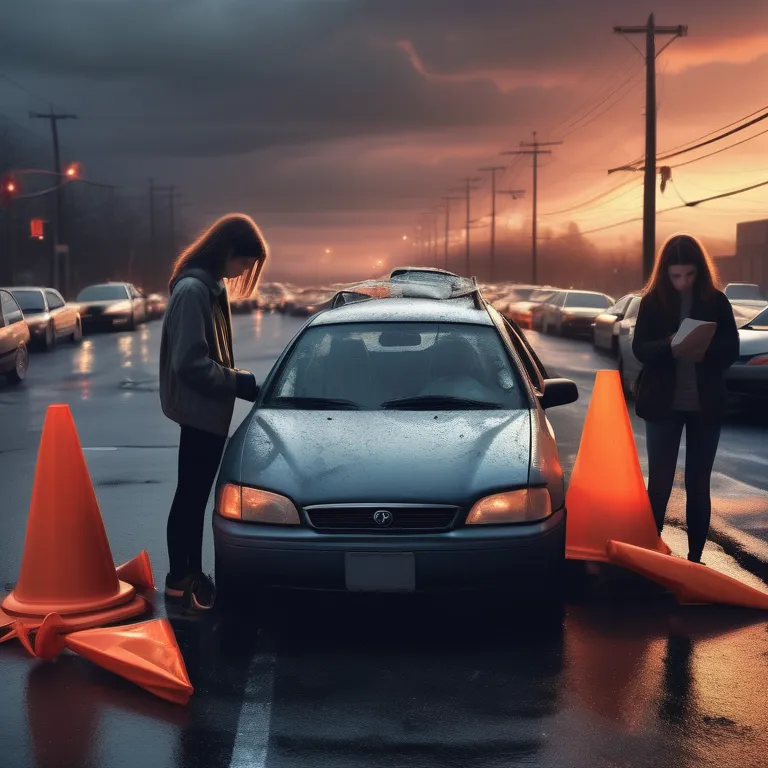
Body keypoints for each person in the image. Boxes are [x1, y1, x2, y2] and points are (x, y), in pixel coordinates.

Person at [159, 214, 267, 610]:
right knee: (190, 497)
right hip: (199, 409)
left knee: (194, 496)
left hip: (208, 410)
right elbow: (190, 362)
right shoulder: (193, 290)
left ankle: (190, 575)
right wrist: (237, 381)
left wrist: (235, 381)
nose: (242, 272)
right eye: (244, 262)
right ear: (228, 251)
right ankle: (180, 579)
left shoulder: (209, 287)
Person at [632, 233, 739, 564]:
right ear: (665, 272)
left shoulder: (716, 301)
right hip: (663, 405)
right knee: (660, 483)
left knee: (698, 483)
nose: (682, 282)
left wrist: (703, 349)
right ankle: (651, 555)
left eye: (689, 275)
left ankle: (695, 560)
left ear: (700, 272)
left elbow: (731, 348)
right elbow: (640, 348)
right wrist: (670, 345)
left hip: (704, 405)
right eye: (675, 275)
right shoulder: (652, 302)